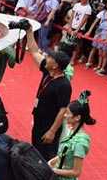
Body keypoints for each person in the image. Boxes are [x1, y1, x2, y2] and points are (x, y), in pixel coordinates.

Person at [25, 23, 73, 161]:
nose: (47, 57)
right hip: (39, 120)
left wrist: (52, 131)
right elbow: (34, 51)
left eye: (50, 57)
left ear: (56, 65)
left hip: (49, 125)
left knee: (46, 156)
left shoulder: (64, 85)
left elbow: (62, 110)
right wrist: (29, 32)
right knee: (36, 150)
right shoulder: (48, 72)